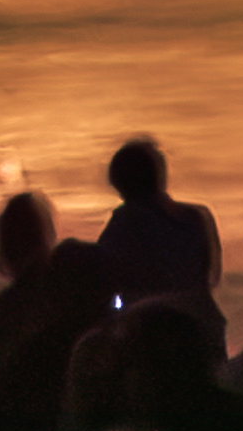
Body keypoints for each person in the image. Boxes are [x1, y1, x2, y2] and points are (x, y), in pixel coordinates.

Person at [89, 136, 221, 317]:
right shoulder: (195, 217)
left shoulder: (124, 222)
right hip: (198, 318)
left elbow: (104, 276)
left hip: (143, 324)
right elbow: (210, 276)